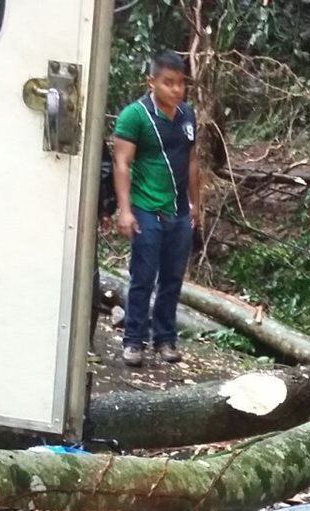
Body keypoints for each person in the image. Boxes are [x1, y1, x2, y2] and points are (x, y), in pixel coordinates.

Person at [112, 49, 201, 368]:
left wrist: (194, 203)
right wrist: (125, 210)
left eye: (180, 83)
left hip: (178, 211)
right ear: (152, 81)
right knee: (143, 276)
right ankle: (134, 340)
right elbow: (122, 163)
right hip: (147, 209)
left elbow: (191, 161)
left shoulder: (187, 115)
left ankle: (165, 339)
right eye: (168, 83)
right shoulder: (134, 116)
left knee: (173, 279)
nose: (176, 90)